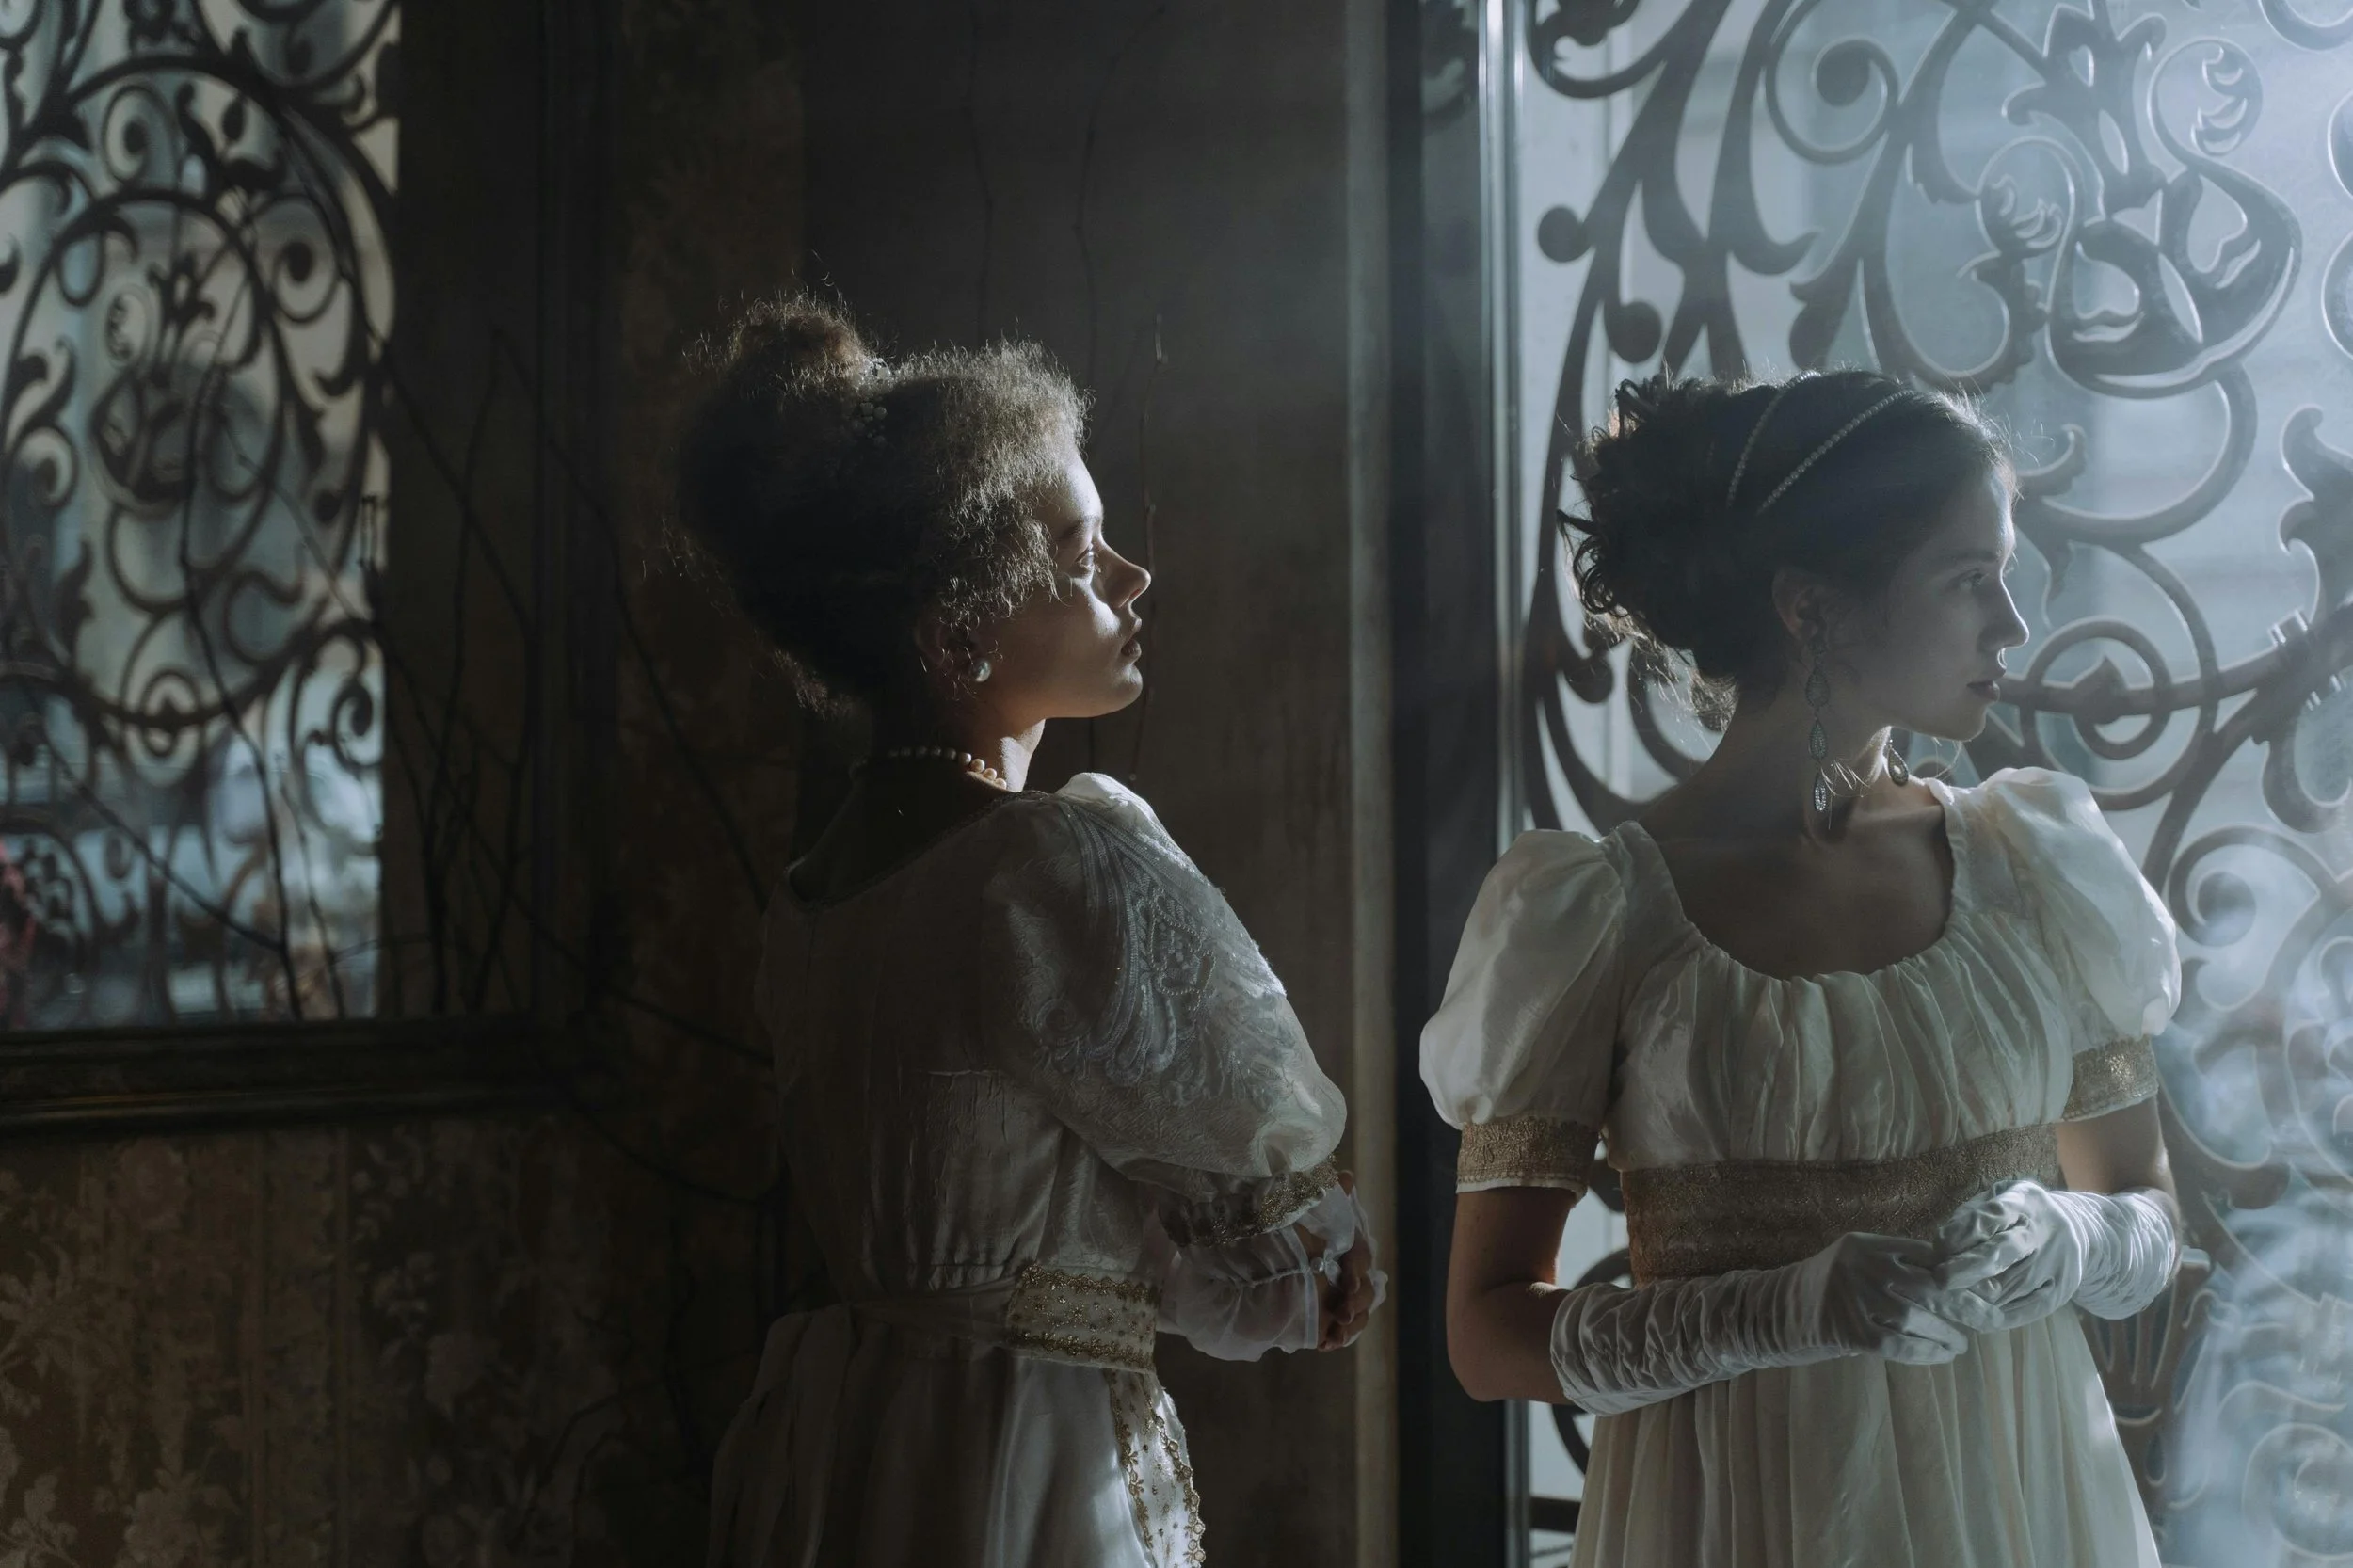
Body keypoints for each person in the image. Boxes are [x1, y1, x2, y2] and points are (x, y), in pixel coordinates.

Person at [1426, 370, 2182, 1567]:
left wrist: (2067, 1239)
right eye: (1969, 578)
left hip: (2018, 1502)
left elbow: (2147, 1209)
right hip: (1730, 1515)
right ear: (1811, 607)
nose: (2013, 624)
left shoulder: (2031, 864)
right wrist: (1779, 1313)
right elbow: (1484, 1332)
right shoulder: (1596, 916)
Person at [674, 296, 1381, 1568]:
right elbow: (1290, 1251)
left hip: (855, 1447)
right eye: (1080, 545)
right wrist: (1309, 1261)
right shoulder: (1043, 863)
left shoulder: (817, 894)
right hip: (1017, 1456)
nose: (1132, 575)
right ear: (961, 621)